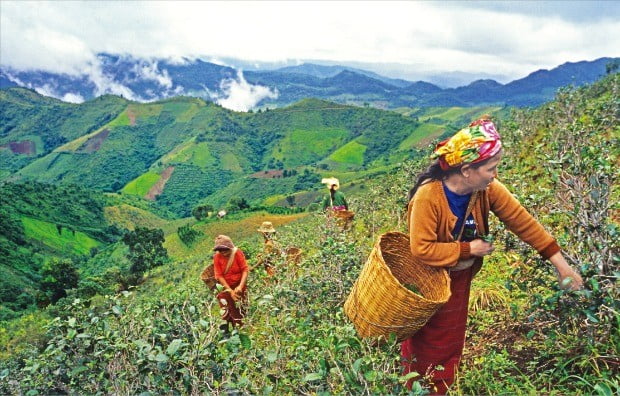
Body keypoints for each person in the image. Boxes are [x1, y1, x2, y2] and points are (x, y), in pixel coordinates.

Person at [401, 116, 584, 395]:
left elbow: (522, 222)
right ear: (466, 170)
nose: (495, 175)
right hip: (426, 282)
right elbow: (421, 248)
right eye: (491, 168)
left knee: (450, 340)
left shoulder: (485, 190)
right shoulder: (429, 197)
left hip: (458, 279)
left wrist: (563, 267)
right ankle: (417, 387)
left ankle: (440, 387)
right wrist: (468, 249)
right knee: (424, 339)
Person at [212, 235, 249, 332]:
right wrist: (230, 291)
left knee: (241, 307)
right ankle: (230, 329)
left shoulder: (237, 253)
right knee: (227, 308)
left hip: (238, 284)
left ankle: (243, 327)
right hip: (225, 287)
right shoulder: (217, 257)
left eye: (225, 250)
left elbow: (245, 270)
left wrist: (240, 286)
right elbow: (219, 276)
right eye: (220, 250)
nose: (223, 253)